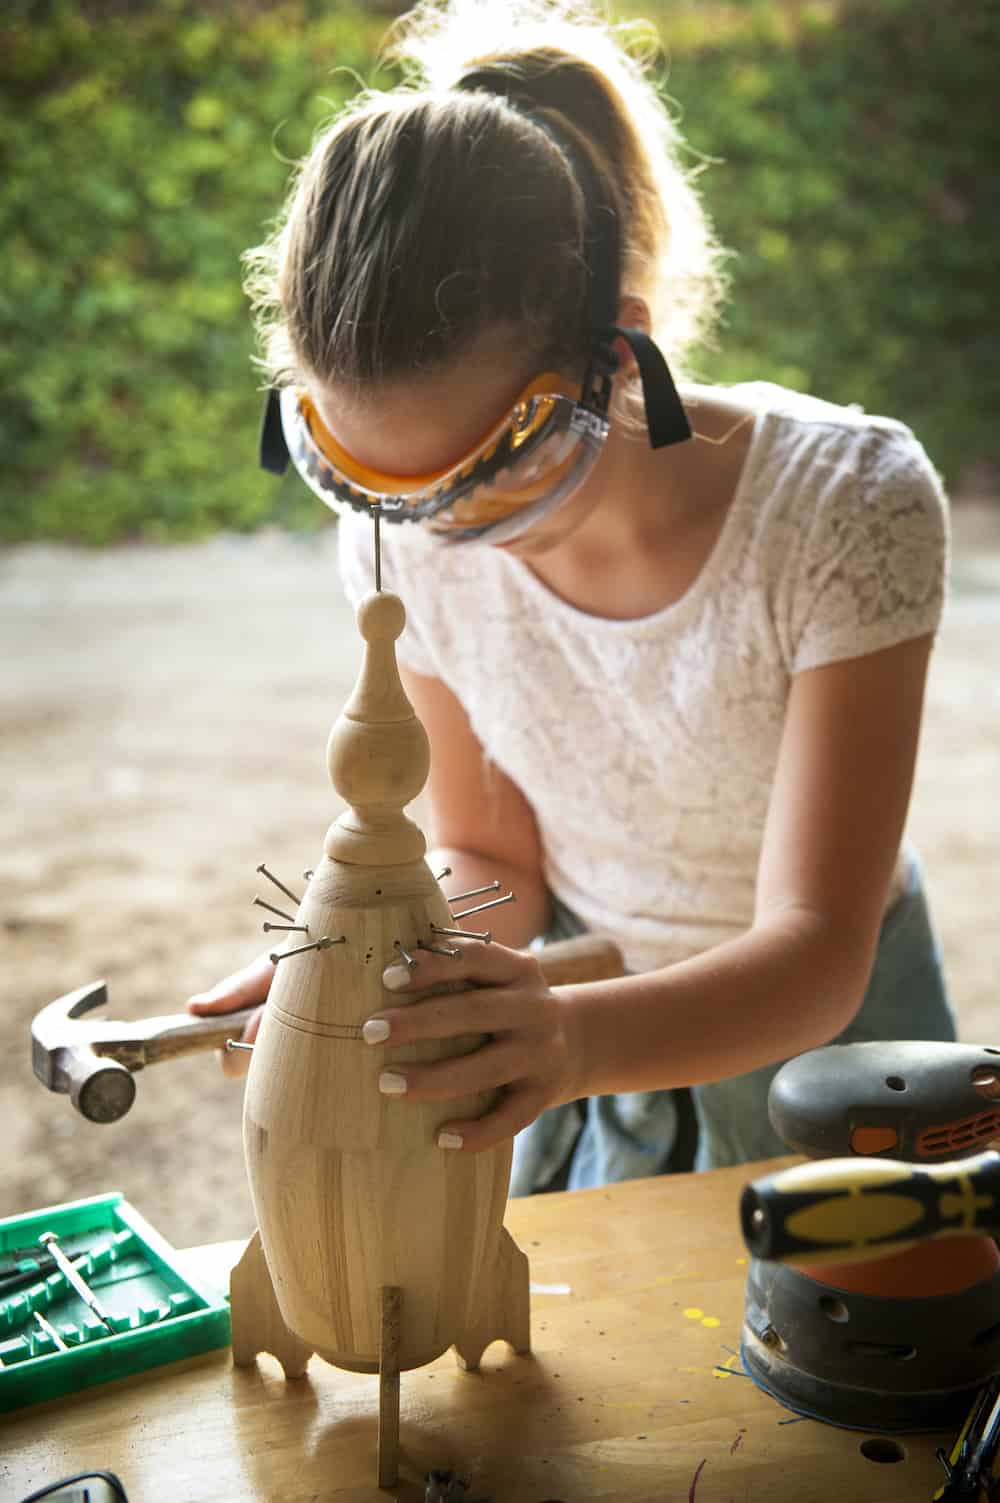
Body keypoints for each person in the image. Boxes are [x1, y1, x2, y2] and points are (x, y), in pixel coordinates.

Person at [188, 0, 955, 1191]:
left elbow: (815, 952)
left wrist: (577, 1040)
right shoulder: (420, 533)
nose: (447, 534)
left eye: (497, 477)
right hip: (580, 1040)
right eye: (381, 489)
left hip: (825, 1061)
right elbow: (489, 850)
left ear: (619, 351)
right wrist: (373, 960)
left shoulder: (841, 504)